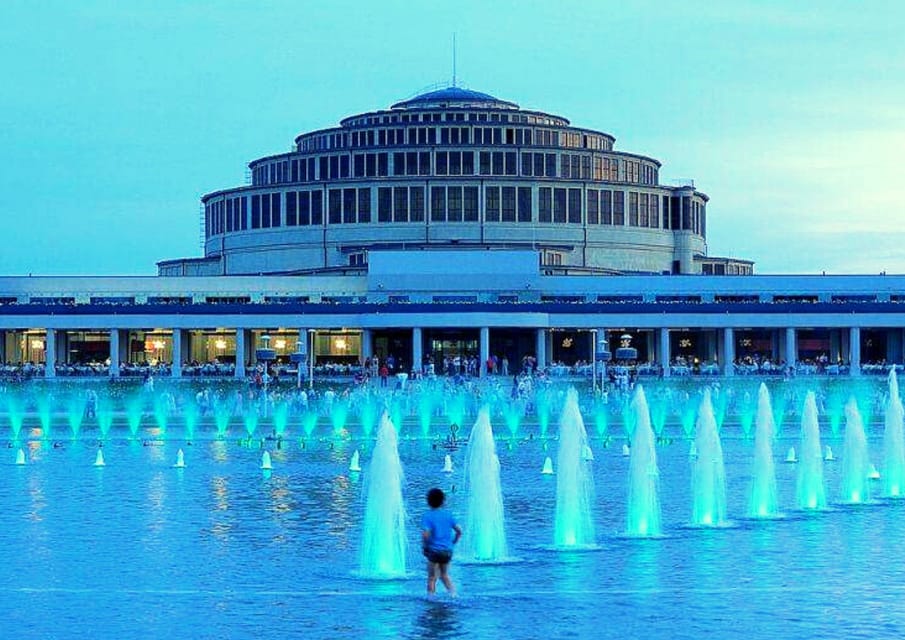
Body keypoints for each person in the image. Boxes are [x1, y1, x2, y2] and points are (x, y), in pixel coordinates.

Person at [420, 488, 462, 596]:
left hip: (434, 551)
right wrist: (453, 543)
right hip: (447, 551)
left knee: (431, 578)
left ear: (428, 501)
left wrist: (425, 547)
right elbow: (459, 531)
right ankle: (454, 595)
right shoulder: (448, 515)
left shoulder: (427, 516)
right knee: (444, 575)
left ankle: (431, 599)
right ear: (443, 501)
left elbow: (425, 534)